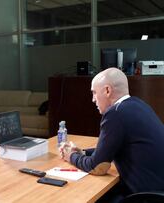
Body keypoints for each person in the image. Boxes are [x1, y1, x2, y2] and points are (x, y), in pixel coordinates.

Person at [60, 67, 164, 200]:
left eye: (94, 93)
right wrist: (83, 152)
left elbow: (97, 167)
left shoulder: (115, 114)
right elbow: (116, 147)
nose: (93, 99)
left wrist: (71, 156)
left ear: (107, 90)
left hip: (146, 196)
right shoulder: (138, 105)